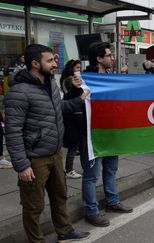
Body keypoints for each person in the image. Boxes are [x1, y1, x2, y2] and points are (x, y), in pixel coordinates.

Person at [4, 44, 90, 242]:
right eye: (50, 60)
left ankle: (65, 231)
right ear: (35, 64)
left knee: (60, 195)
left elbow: (57, 108)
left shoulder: (51, 84)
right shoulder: (19, 92)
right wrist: (22, 165)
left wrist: (79, 99)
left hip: (54, 153)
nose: (54, 64)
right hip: (34, 159)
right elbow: (13, 132)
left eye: (54, 59)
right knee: (33, 205)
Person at [81, 42, 133, 227]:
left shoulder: (111, 78)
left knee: (111, 170)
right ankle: (91, 211)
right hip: (92, 136)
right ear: (99, 59)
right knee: (91, 175)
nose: (113, 58)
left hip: (111, 133)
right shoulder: (84, 79)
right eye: (109, 55)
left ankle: (112, 202)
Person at [60, 59, 83, 179]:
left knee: (76, 143)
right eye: (77, 68)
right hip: (73, 112)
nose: (79, 70)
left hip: (73, 111)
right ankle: (69, 169)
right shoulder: (70, 80)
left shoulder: (67, 79)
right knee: (74, 144)